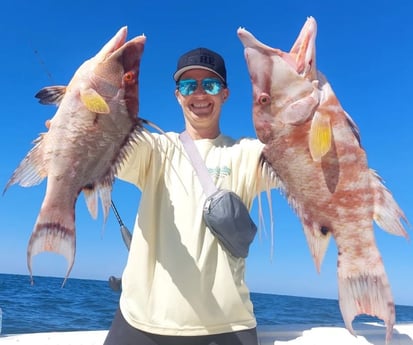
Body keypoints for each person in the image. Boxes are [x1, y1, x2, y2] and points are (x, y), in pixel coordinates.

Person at [103, 47, 275, 345]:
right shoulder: (155, 149)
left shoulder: (246, 154)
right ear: (178, 95)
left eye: (209, 84)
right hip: (140, 322)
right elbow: (112, 133)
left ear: (225, 94)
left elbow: (303, 156)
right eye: (187, 85)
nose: (199, 94)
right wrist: (80, 120)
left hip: (226, 327)